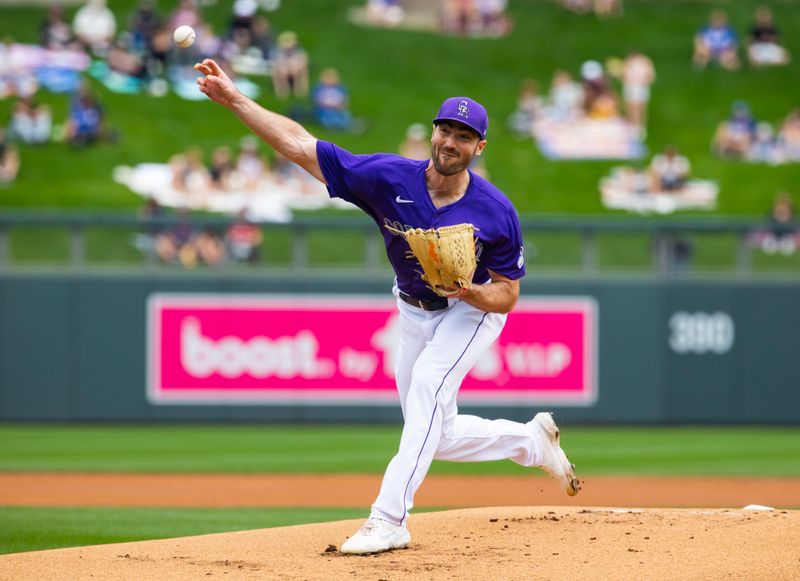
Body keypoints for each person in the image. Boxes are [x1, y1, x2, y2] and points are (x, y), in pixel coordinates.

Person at [194, 57, 582, 555]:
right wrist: (234, 98)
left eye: (464, 136)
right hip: (412, 309)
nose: (451, 142)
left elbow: (507, 293)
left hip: (471, 311)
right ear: (433, 133)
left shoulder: (496, 211)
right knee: (433, 433)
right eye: (446, 130)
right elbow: (298, 145)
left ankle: (389, 518)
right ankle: (531, 442)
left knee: (426, 387)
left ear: (479, 147)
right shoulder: (386, 177)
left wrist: (470, 292)